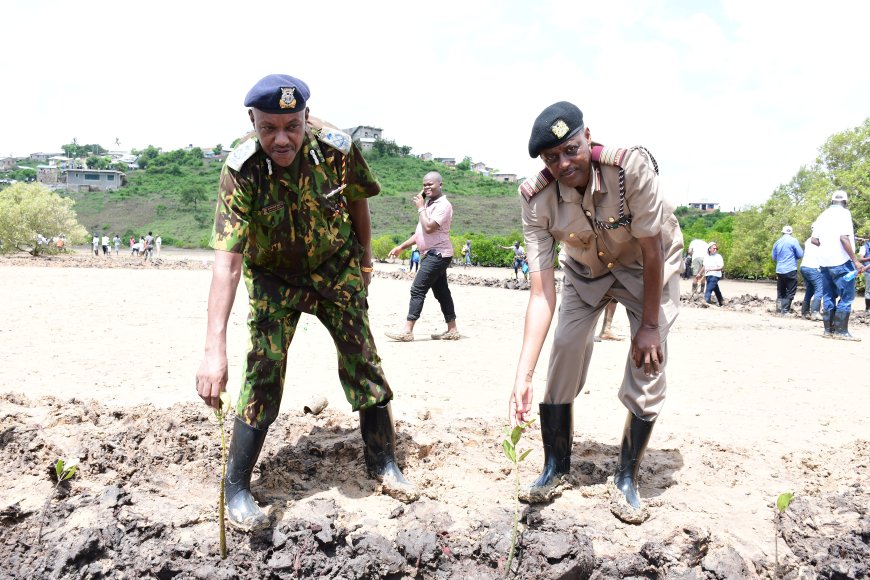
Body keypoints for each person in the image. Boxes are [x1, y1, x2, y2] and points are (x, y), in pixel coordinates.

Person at [195, 74, 417, 532]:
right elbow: (227, 262)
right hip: (274, 276)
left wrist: (366, 266)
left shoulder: (336, 148)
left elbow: (358, 204)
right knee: (264, 365)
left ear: (306, 118)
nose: (282, 138)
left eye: (292, 126)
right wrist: (213, 349)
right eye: (269, 127)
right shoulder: (242, 168)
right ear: (252, 120)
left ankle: (383, 464)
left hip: (335, 267)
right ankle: (236, 486)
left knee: (363, 359)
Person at [508, 102, 683, 524]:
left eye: (571, 150)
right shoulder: (536, 198)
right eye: (553, 158)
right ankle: (555, 467)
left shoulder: (629, 170)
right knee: (565, 347)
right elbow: (541, 292)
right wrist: (523, 374)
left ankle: (626, 476)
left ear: (589, 136)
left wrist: (650, 326)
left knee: (649, 358)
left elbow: (652, 248)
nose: (564, 163)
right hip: (586, 270)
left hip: (646, 268)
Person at [385, 172, 460, 341]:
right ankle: (453, 329)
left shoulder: (443, 205)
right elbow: (420, 233)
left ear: (440, 184)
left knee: (417, 288)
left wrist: (420, 207)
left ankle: (407, 331)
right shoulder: (429, 205)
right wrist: (401, 247)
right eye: (424, 185)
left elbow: (429, 228)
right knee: (442, 292)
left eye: (430, 184)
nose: (427, 187)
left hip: (438, 254)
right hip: (431, 253)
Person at [811, 190, 865, 340]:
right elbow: (844, 238)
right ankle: (841, 331)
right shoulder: (844, 214)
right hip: (841, 262)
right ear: (845, 201)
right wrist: (855, 260)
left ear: (832, 200)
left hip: (824, 263)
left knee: (828, 295)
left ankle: (828, 331)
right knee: (847, 296)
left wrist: (828, 246)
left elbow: (814, 240)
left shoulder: (823, 215)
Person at [771, 225, 803, 315]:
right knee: (791, 290)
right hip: (790, 269)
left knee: (780, 290)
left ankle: (778, 309)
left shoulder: (777, 242)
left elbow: (773, 257)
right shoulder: (793, 241)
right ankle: (785, 311)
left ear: (782, 232)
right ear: (791, 232)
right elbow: (800, 254)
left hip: (780, 270)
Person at [800, 226, 823, 320]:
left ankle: (805, 312)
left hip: (804, 266)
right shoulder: (820, 241)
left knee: (809, 290)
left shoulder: (808, 240)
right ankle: (815, 312)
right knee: (819, 290)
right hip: (813, 267)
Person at [697, 241, 724, 306]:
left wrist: (711, 269)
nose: (715, 250)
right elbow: (704, 266)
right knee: (715, 288)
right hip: (708, 275)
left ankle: (706, 301)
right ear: (709, 249)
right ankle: (721, 301)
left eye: (716, 248)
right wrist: (699, 273)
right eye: (714, 248)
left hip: (715, 275)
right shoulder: (706, 257)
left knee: (708, 289)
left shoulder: (718, 256)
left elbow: (721, 267)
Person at [859, 237, 870, 312]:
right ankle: (867, 308)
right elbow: (861, 259)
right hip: (868, 271)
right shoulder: (864, 247)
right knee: (868, 290)